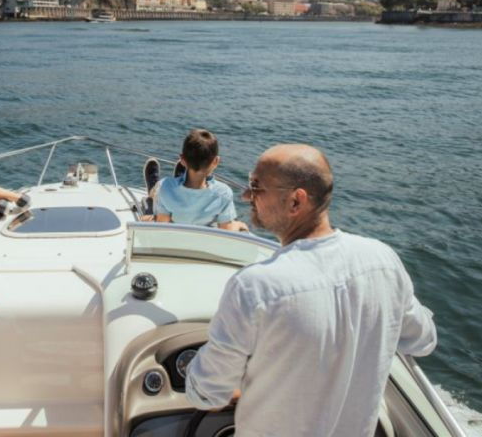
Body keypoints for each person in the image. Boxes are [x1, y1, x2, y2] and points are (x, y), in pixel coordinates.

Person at [185, 144, 437, 437]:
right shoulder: (384, 261)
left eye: (255, 187)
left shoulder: (255, 287)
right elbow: (423, 341)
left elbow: (206, 394)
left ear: (296, 201)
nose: (245, 196)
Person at [145, 129, 246, 231]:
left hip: (175, 233)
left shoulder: (166, 186)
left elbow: (163, 224)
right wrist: (238, 224)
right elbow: (227, 229)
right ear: (216, 161)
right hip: (200, 243)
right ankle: (180, 176)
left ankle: (153, 191)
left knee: (159, 189)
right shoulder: (224, 193)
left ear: (182, 160)